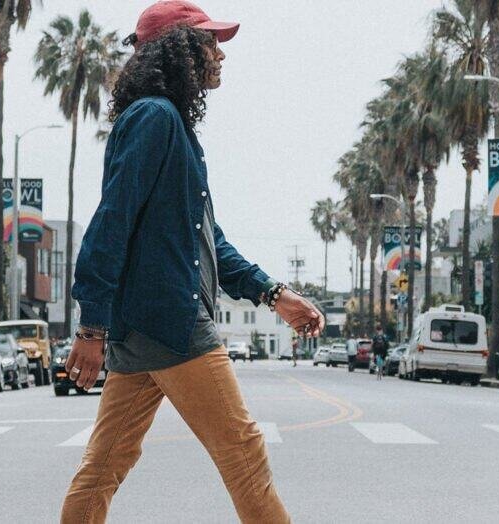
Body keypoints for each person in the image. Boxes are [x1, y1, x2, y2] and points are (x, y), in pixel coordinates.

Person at [61, 3, 323, 522]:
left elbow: (206, 241)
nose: (220, 53)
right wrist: (90, 326)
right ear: (176, 51)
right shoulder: (155, 118)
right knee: (243, 453)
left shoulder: (168, 123)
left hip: (141, 327)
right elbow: (110, 222)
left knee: (105, 465)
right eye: (209, 42)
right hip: (171, 324)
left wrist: (274, 294)